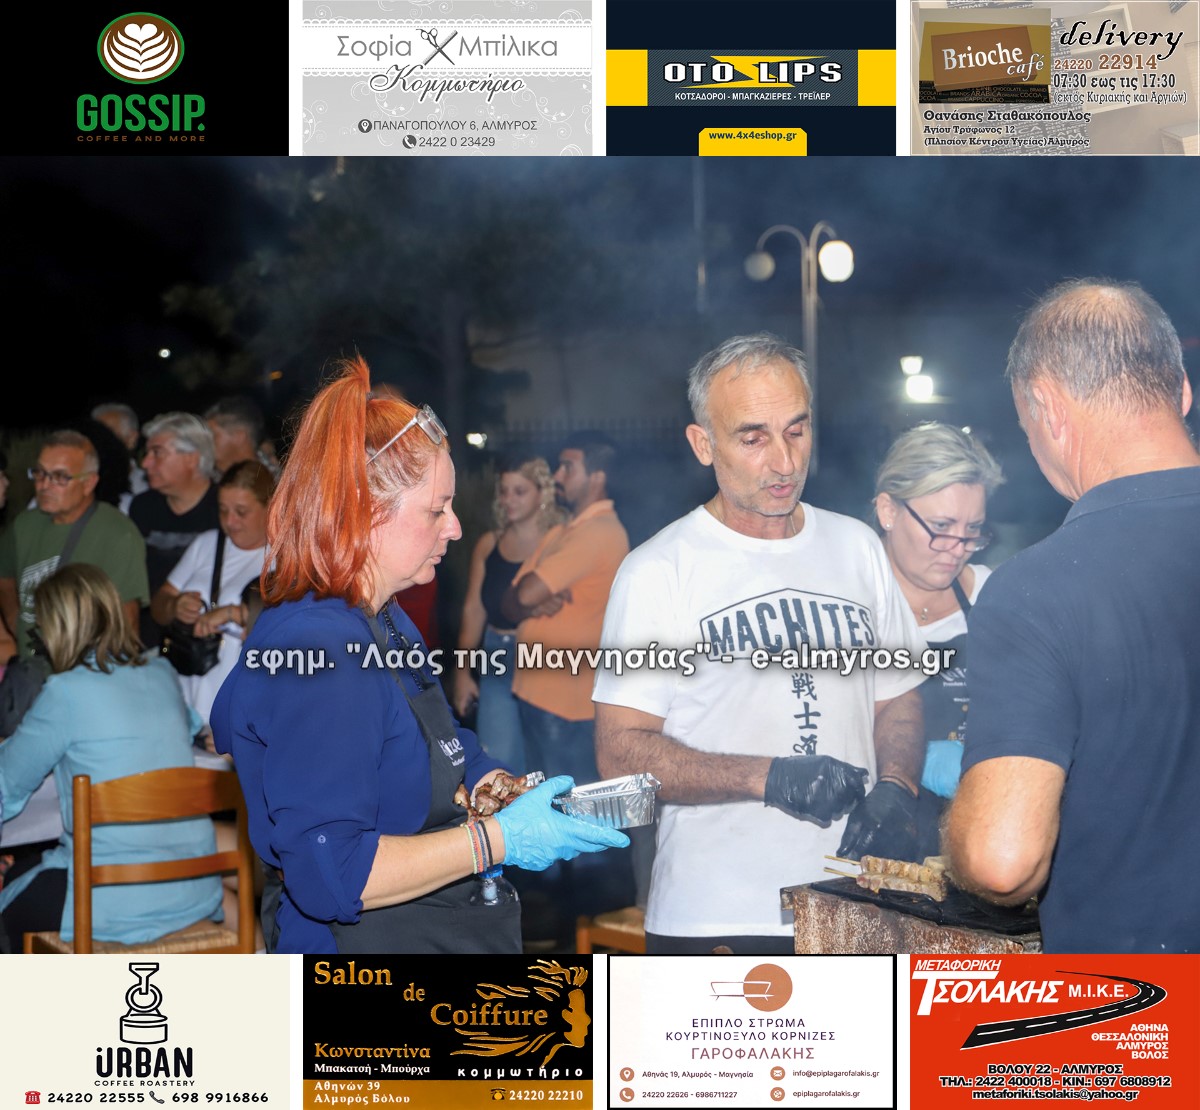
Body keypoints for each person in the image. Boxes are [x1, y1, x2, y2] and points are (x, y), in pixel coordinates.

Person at [210, 355, 628, 955]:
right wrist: (498, 841)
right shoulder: (320, 649)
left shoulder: (383, 616)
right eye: (437, 509)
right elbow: (334, 874)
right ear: (364, 511)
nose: (454, 528)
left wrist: (499, 787)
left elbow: (443, 743)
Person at [594, 333, 928, 954]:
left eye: (796, 431)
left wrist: (897, 787)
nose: (784, 461)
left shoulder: (858, 548)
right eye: (754, 439)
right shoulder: (659, 571)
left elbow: (898, 695)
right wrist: (766, 778)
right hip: (717, 915)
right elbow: (620, 755)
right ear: (704, 444)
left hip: (856, 904)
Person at [946, 280, 1200, 954]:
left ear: (1050, 412)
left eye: (1026, 428)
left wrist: (961, 824)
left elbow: (1002, 861)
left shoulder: (1038, 589)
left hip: (1142, 1001)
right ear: (1182, 392)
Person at [0, 564, 222, 949]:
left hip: (109, 901)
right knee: (27, 871)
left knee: (13, 898)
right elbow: (188, 725)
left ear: (56, 629)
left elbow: (6, 786)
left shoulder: (65, 692)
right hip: (191, 889)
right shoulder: (161, 672)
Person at [501, 432, 633, 932]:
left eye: (567, 467)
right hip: (542, 695)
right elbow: (508, 600)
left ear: (596, 476)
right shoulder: (565, 530)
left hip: (569, 702)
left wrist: (528, 599)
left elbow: (522, 596)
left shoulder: (599, 533)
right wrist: (525, 599)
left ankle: (584, 923)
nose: (557, 476)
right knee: (552, 807)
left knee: (576, 814)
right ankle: (564, 918)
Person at [872, 423, 1004, 857]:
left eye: (973, 530)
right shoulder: (845, 602)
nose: (958, 547)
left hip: (965, 838)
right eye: (942, 526)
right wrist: (910, 757)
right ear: (888, 511)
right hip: (869, 832)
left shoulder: (993, 598)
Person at [453, 455, 561, 771]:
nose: (508, 499)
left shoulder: (561, 542)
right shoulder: (489, 544)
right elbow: (474, 609)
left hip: (547, 658)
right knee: (499, 763)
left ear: (542, 493)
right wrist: (462, 672)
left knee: (550, 762)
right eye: (504, 491)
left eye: (519, 491)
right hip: (497, 655)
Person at [0, 430, 148, 660]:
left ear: (89, 483)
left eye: (60, 477)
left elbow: (127, 622)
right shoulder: (24, 524)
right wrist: (15, 619)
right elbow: (5, 576)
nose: (44, 485)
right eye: (40, 473)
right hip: (31, 665)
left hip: (81, 669)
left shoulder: (117, 534)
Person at [150, 460, 274, 729]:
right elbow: (158, 606)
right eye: (223, 510)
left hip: (236, 707)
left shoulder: (286, 559)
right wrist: (175, 606)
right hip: (181, 699)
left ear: (271, 508)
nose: (230, 521)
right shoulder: (207, 544)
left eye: (241, 512)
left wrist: (231, 613)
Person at [129, 413, 220, 648]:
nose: (145, 463)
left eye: (157, 453)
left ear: (191, 458)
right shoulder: (143, 507)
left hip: (208, 641)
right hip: (149, 642)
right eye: (147, 453)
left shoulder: (225, 510)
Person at [204, 395, 279, 478]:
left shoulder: (275, 481)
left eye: (213, 436)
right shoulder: (205, 479)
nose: (204, 442)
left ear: (239, 437)